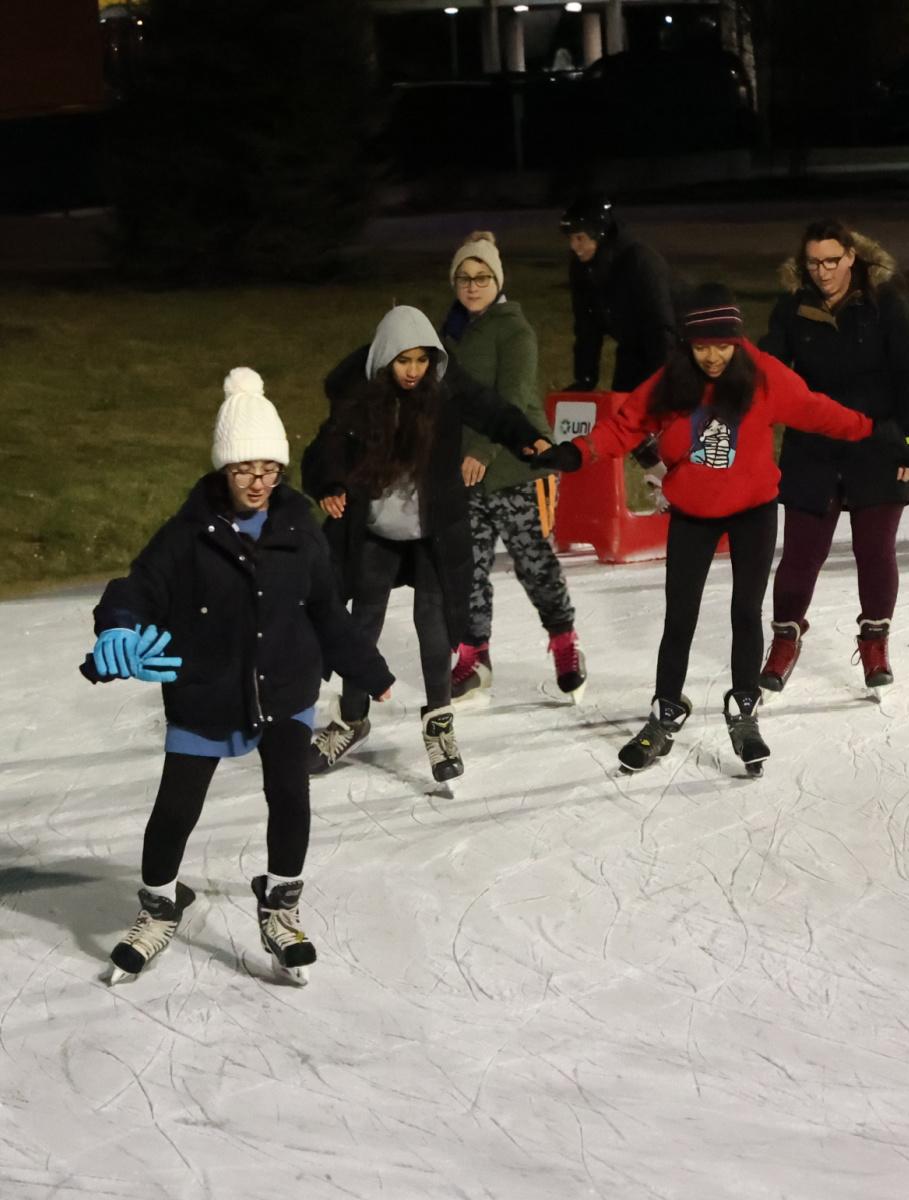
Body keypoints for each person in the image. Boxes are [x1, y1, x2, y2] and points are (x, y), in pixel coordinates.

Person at [87, 368, 395, 986]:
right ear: (223, 470)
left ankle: (280, 905)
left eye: (269, 469)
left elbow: (327, 612)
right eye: (243, 469)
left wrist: (369, 669)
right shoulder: (187, 535)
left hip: (285, 686)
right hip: (206, 688)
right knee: (175, 810)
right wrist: (117, 627)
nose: (257, 482)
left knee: (290, 797)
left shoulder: (301, 531)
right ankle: (158, 907)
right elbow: (135, 588)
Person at [532, 284, 909, 775]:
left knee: (744, 612)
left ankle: (744, 712)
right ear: (687, 345)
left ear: (736, 341)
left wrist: (878, 432)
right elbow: (625, 426)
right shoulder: (672, 381)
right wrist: (576, 453)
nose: (712, 357)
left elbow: (817, 411)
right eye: (701, 346)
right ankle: (666, 711)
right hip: (692, 512)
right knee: (680, 617)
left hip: (752, 511)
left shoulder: (761, 375)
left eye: (722, 346)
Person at [302, 306, 547, 783]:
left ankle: (439, 726)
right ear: (384, 360)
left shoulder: (447, 390)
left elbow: (494, 410)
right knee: (362, 625)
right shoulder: (360, 398)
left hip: (433, 532)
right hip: (377, 530)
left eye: (420, 360)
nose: (413, 371)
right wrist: (329, 484)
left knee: (433, 630)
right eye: (403, 361)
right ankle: (351, 720)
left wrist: (528, 440)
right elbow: (326, 447)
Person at [756, 220, 909, 699]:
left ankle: (875, 641)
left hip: (879, 443)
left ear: (852, 257)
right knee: (798, 558)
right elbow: (770, 370)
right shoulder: (793, 308)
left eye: (832, 261)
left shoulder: (884, 304)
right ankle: (785, 639)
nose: (823, 271)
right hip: (813, 448)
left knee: (874, 552)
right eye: (814, 263)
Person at [442, 230, 586, 704]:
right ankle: (473, 656)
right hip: (468, 475)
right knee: (470, 569)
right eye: (463, 277)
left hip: (518, 468)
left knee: (534, 562)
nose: (472, 285)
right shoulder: (452, 333)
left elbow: (515, 398)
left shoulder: (514, 329)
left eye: (481, 276)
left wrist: (481, 452)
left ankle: (565, 644)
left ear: (497, 280)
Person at [561, 194, 677, 394]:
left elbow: (661, 328)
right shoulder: (581, 268)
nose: (574, 246)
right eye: (571, 239)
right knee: (622, 409)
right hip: (631, 345)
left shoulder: (640, 261)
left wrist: (660, 385)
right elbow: (586, 327)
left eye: (580, 238)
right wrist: (585, 379)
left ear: (600, 234)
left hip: (676, 345)